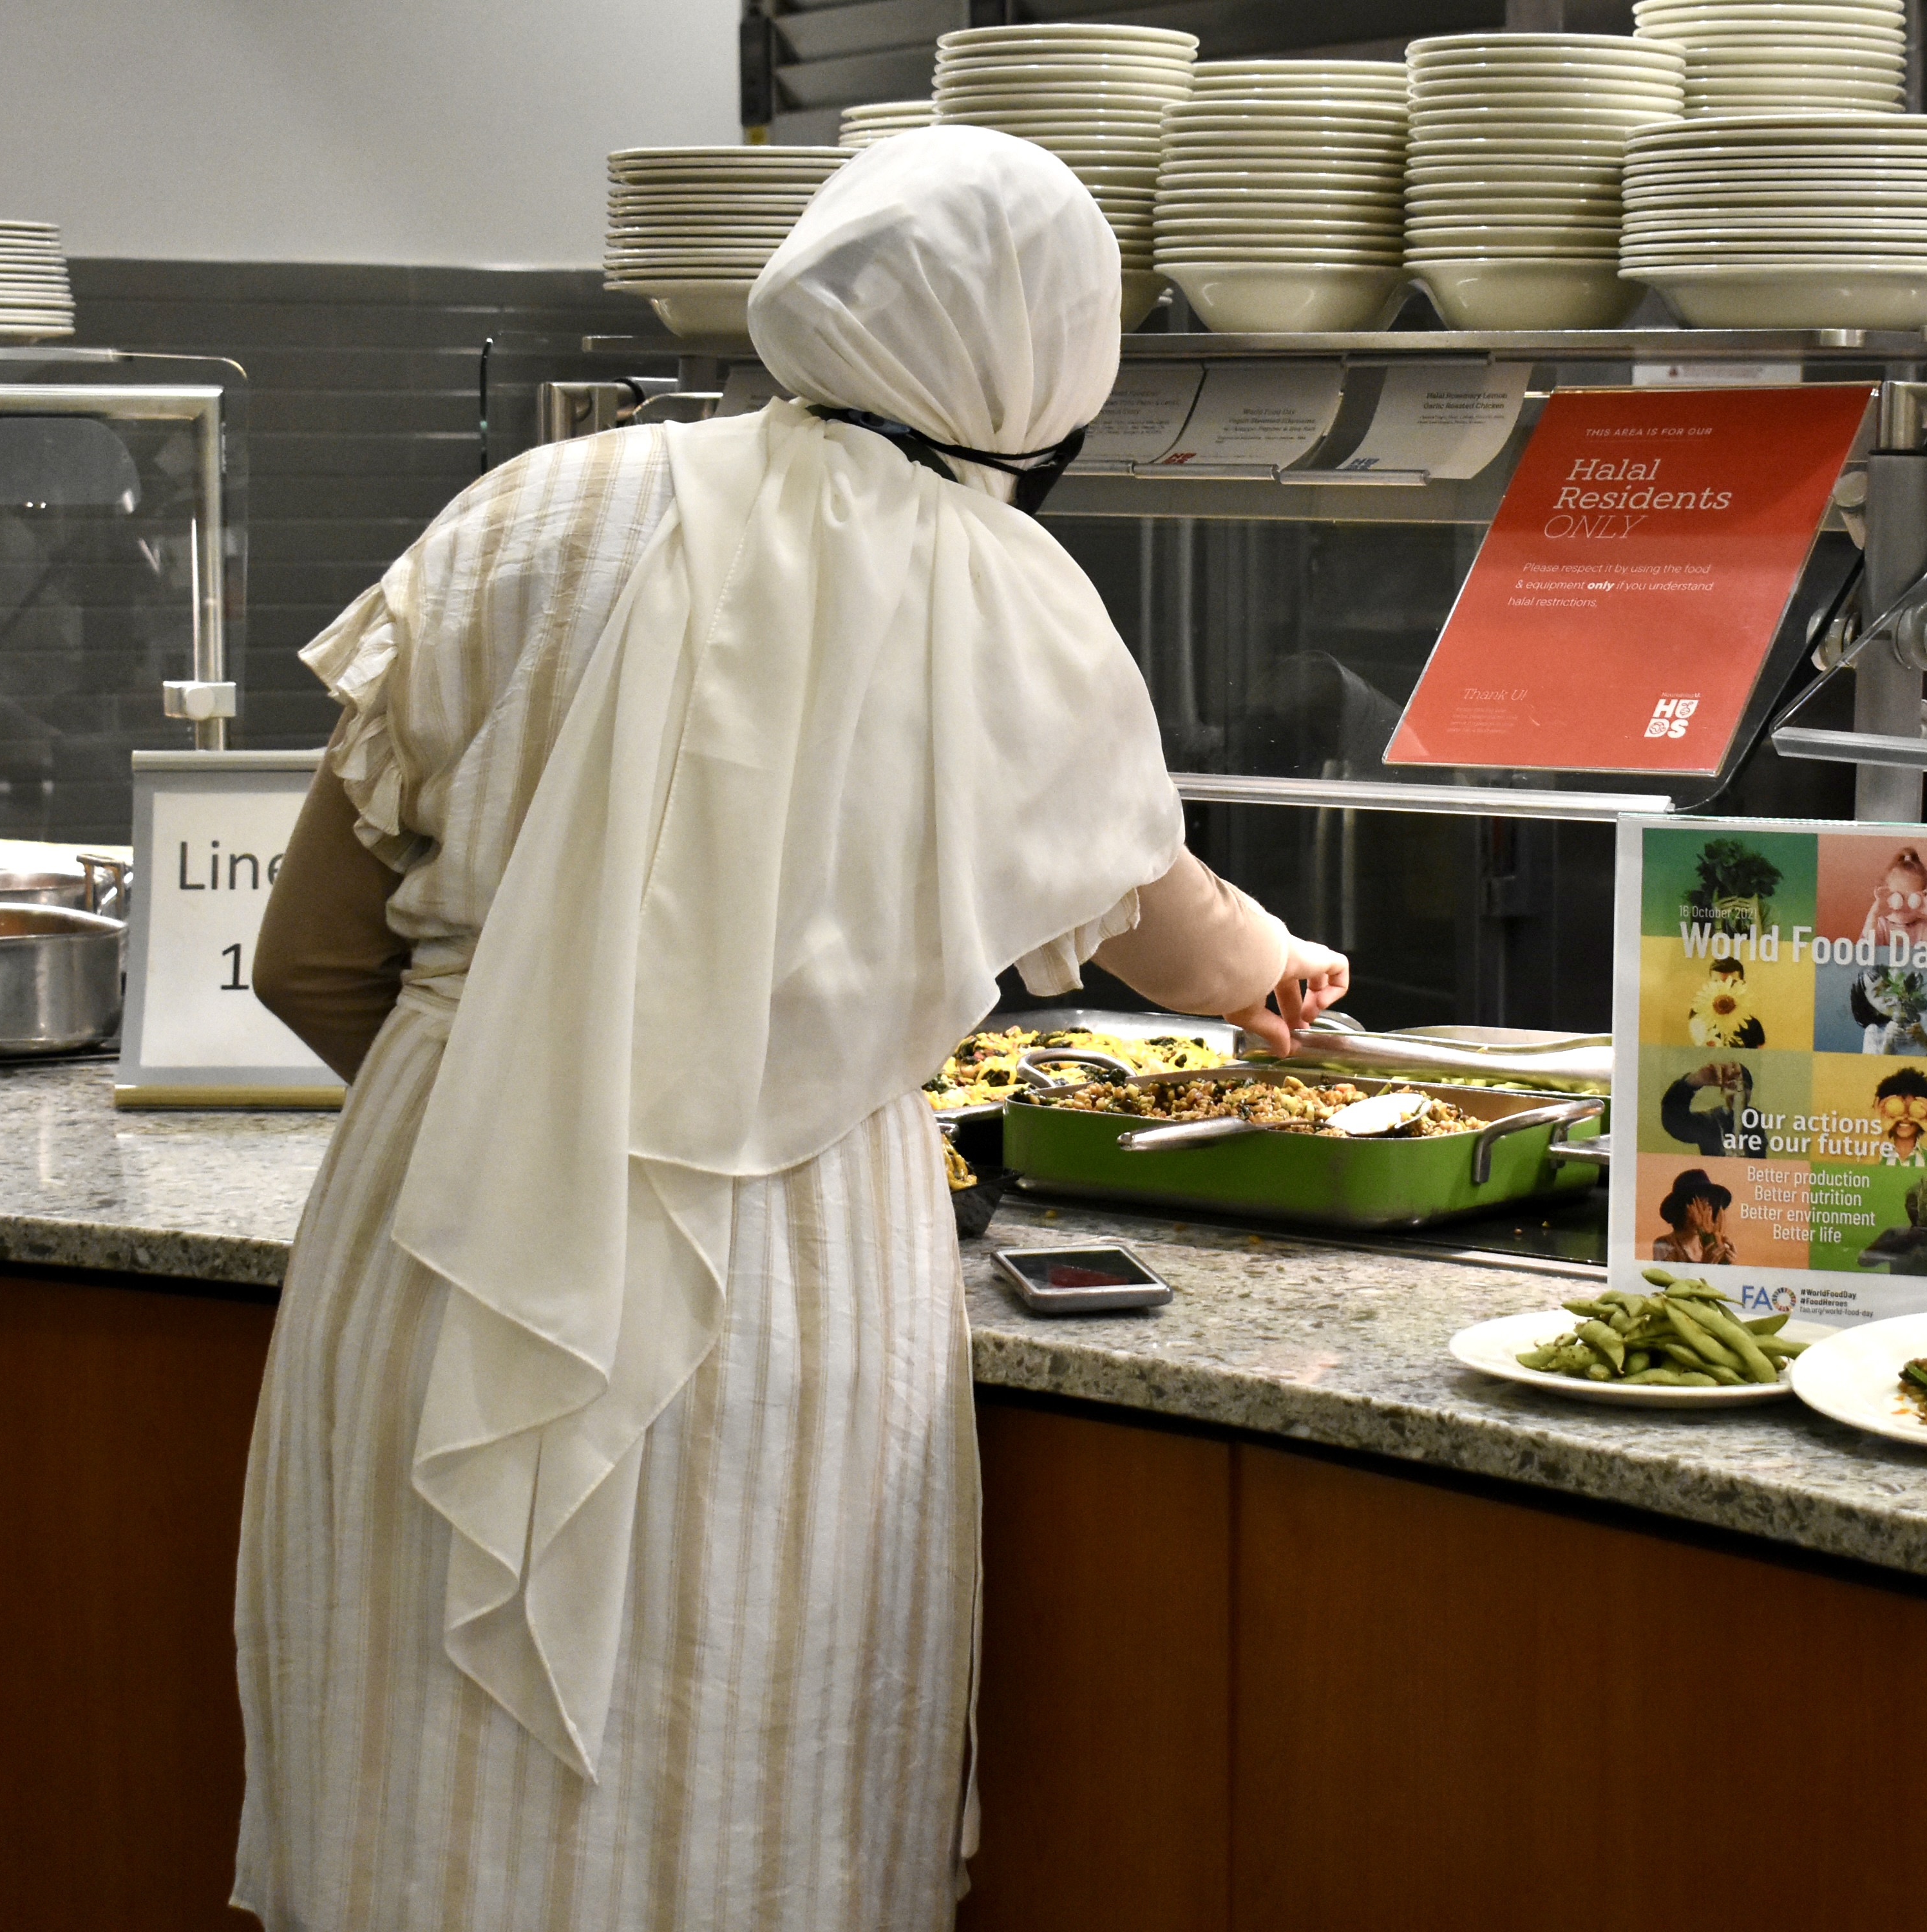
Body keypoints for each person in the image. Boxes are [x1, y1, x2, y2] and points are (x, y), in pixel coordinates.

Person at [231, 128, 1346, 1932]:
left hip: (441, 1242)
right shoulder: (1016, 603)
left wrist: (537, 1105)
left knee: (416, 1800)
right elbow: (1146, 906)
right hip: (804, 1276)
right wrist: (1271, 970)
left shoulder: (531, 511)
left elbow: (307, 961)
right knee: (758, 1785)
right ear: (1050, 363)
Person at [1658, 1059, 1760, 1156]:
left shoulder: (1759, 1121)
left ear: (1751, 1092)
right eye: (1732, 1086)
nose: (1739, 1093)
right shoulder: (1711, 1120)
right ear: (1723, 1091)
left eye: (1744, 1086)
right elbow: (1673, 1121)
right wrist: (1692, 1082)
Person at [1860, 845, 1927, 951]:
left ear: (1922, 899)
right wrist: (1874, 913)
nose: (1904, 906)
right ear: (1887, 896)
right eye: (1898, 898)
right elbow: (1864, 948)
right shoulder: (1882, 925)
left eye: (1912, 899)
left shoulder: (1922, 927)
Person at [1651, 1169, 1736, 1265]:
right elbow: (1670, 1278)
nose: (1701, 1214)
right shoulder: (1664, 1244)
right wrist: (1706, 1264)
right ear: (1681, 1210)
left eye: (1705, 1208)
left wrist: (1726, 1264)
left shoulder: (1710, 1243)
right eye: (1695, 1207)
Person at [1874, 1065, 1927, 1166]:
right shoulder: (1873, 1155)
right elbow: (1863, 1178)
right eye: (1901, 1110)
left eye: (1911, 1109)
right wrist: (1877, 1129)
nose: (1905, 1117)